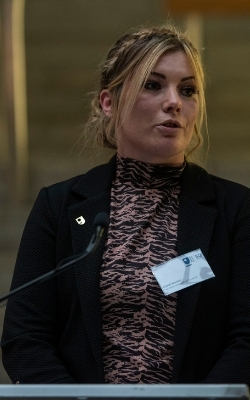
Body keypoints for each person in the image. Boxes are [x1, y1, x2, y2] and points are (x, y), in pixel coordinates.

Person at [1, 25, 250, 385]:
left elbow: (245, 340)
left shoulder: (236, 210)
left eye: (188, 90)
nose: (174, 102)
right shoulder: (59, 207)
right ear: (108, 102)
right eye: (153, 84)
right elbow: (25, 338)